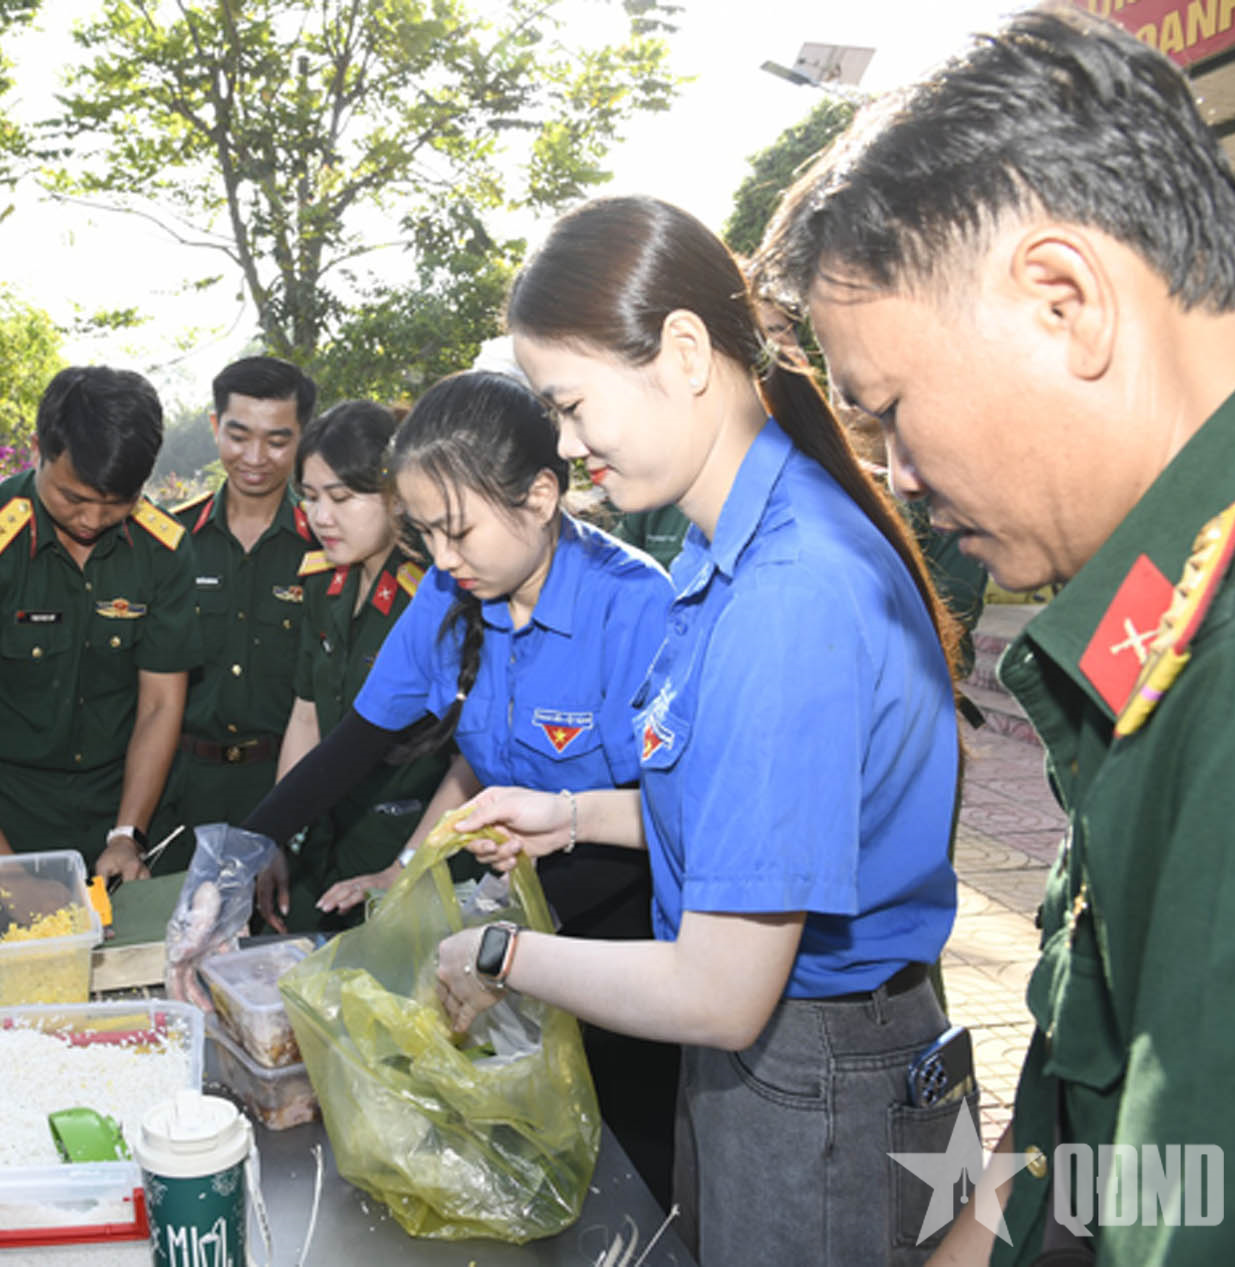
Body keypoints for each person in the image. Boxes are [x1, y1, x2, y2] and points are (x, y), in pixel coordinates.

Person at [757, 9, 1235, 1262]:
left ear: (1063, 301)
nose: (900, 474)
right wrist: (978, 1233)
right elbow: (1104, 1108)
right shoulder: (1160, 617)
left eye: (889, 410)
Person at [437, 193, 965, 1265]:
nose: (568, 446)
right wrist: (573, 815)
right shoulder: (734, 548)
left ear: (683, 352)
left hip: (819, 1076)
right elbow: (757, 820)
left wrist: (500, 953)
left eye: (571, 406)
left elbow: (720, 992)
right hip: (803, 1058)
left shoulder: (786, 589)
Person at [239, 370, 682, 1200]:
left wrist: (503, 941)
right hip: (512, 924)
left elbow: (669, 821)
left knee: (629, 1178)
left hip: (625, 943)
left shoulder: (634, 607)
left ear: (541, 496)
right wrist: (245, 845)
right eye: (424, 534)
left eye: (458, 530)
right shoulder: (452, 592)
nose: (441, 559)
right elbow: (356, 743)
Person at [0, 366, 200, 882]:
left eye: (116, 504)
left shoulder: (163, 550)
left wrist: (127, 834)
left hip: (122, 813)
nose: (91, 521)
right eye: (73, 498)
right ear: (38, 448)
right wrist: (6, 874)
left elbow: (159, 705)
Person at [268, 399, 450, 930]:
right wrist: (278, 831)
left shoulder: (435, 595)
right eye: (310, 497)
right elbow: (306, 715)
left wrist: (408, 865)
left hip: (409, 847)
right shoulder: (324, 584)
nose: (321, 517)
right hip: (325, 843)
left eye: (342, 498)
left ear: (397, 496)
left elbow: (473, 761)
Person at [151, 356, 317, 866]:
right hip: (180, 789)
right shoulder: (170, 539)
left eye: (277, 440)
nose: (255, 457)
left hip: (288, 784)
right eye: (238, 436)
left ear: (303, 437)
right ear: (215, 426)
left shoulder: (326, 546)